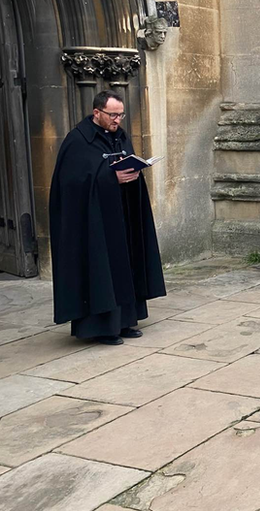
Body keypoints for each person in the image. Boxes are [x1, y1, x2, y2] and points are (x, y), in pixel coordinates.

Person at [49, 90, 166, 346]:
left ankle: (124, 321)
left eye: (120, 114)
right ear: (97, 113)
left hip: (121, 214)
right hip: (94, 223)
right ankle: (101, 328)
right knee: (100, 269)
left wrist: (134, 171)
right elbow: (71, 184)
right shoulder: (78, 141)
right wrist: (110, 178)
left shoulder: (120, 136)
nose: (117, 120)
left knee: (125, 263)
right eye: (113, 115)